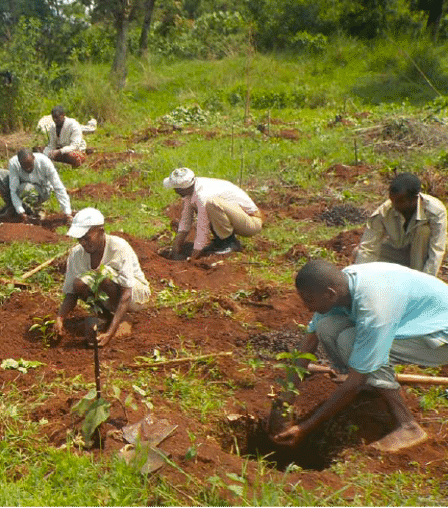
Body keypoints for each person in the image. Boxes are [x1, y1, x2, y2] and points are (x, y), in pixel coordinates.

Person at [274, 259, 448, 453]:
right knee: (327, 326)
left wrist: (306, 427)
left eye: (310, 300)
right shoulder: (340, 285)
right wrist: (285, 400)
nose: (307, 307)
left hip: (440, 337)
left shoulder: (374, 309)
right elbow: (308, 343)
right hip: (416, 320)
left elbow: (354, 380)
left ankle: (408, 425)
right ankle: (369, 382)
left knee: (352, 342)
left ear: (330, 294)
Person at [54, 208, 151, 347]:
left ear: (101, 231)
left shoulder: (118, 247)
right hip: (112, 297)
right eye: (79, 238)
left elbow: (126, 293)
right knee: (79, 283)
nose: (83, 243)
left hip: (135, 295)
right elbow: (71, 293)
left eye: (87, 238)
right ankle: (106, 316)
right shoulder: (77, 254)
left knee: (103, 276)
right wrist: (60, 318)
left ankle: (122, 319)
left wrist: (110, 333)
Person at [353, 173, 446, 276]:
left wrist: (427, 280)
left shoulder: (435, 211)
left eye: (400, 201)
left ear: (415, 199)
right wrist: (361, 278)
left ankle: (417, 278)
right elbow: (368, 247)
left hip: (422, 259)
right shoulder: (385, 211)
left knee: (423, 231)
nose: (395, 205)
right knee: (358, 252)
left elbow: (436, 251)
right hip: (399, 255)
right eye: (392, 200)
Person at [163, 167, 262, 259]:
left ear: (182, 189)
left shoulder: (202, 196)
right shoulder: (192, 190)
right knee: (208, 207)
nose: (174, 191)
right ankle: (220, 242)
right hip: (239, 219)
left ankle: (230, 243)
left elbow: (203, 227)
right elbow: (186, 220)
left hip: (251, 222)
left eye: (176, 189)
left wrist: (194, 256)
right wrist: (176, 247)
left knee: (212, 204)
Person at [0, 148, 73, 220]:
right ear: (19, 162)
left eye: (30, 166)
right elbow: (13, 189)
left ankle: (35, 209)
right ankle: (12, 207)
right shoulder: (14, 163)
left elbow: (58, 187)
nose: (28, 169)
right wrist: (20, 211)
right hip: (21, 187)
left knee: (25, 188)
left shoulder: (44, 162)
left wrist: (67, 212)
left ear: (34, 158)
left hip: (42, 190)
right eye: (24, 167)